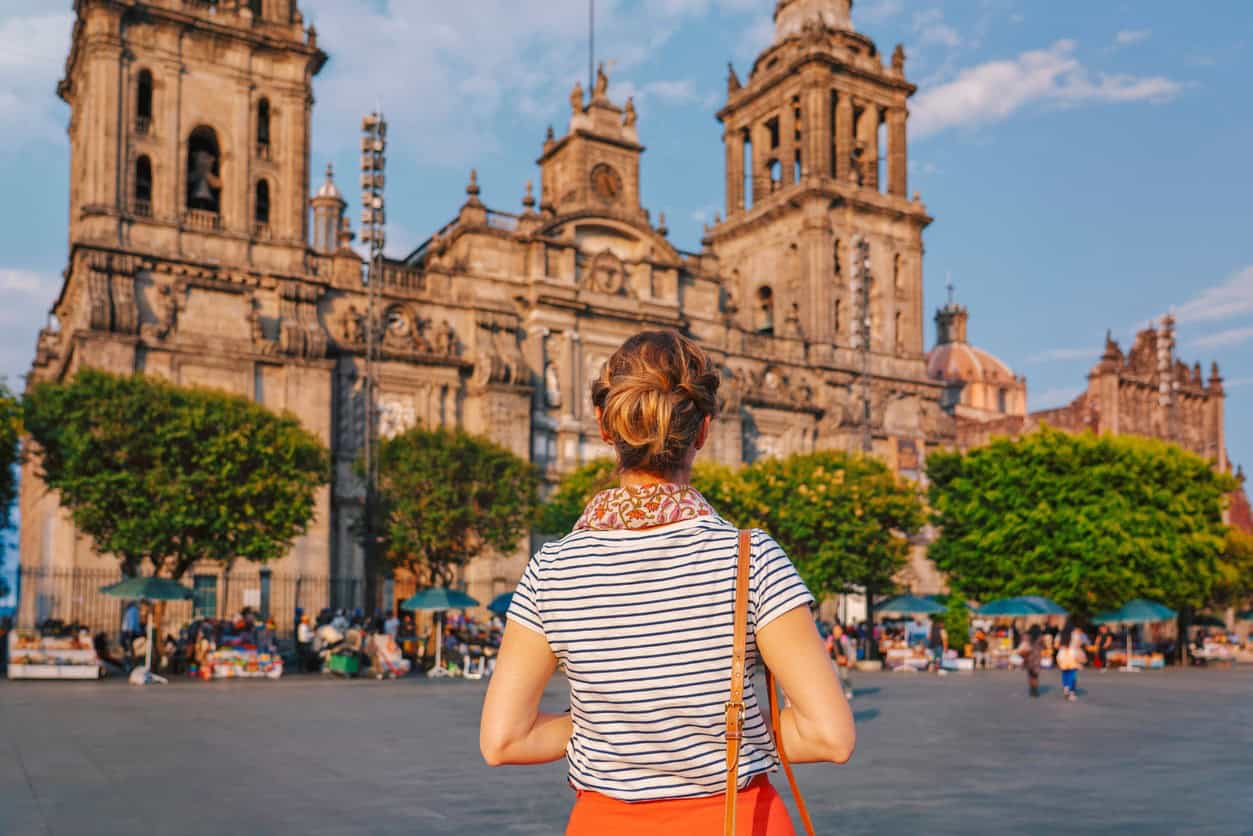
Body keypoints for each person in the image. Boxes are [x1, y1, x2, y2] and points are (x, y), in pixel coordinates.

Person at [480, 330, 854, 835]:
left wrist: (612, 730)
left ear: (605, 427)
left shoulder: (553, 568)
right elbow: (830, 736)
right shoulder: (751, 557)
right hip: (739, 821)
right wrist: (715, 732)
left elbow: (503, 740)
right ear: (702, 431)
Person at [1056, 619, 1086, 701]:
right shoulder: (1075, 634)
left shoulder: (1060, 634)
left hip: (1062, 654)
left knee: (1065, 672)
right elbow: (1079, 644)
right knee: (1072, 673)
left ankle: (1066, 688)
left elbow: (1056, 645)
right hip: (1072, 654)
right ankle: (1071, 691)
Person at [1018, 624, 1043, 697]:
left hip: (1028, 657)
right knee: (1035, 675)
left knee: (1030, 674)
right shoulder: (1040, 637)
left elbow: (1022, 645)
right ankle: (1035, 690)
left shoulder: (1026, 636)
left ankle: (1031, 689)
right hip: (1036, 658)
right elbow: (1043, 646)